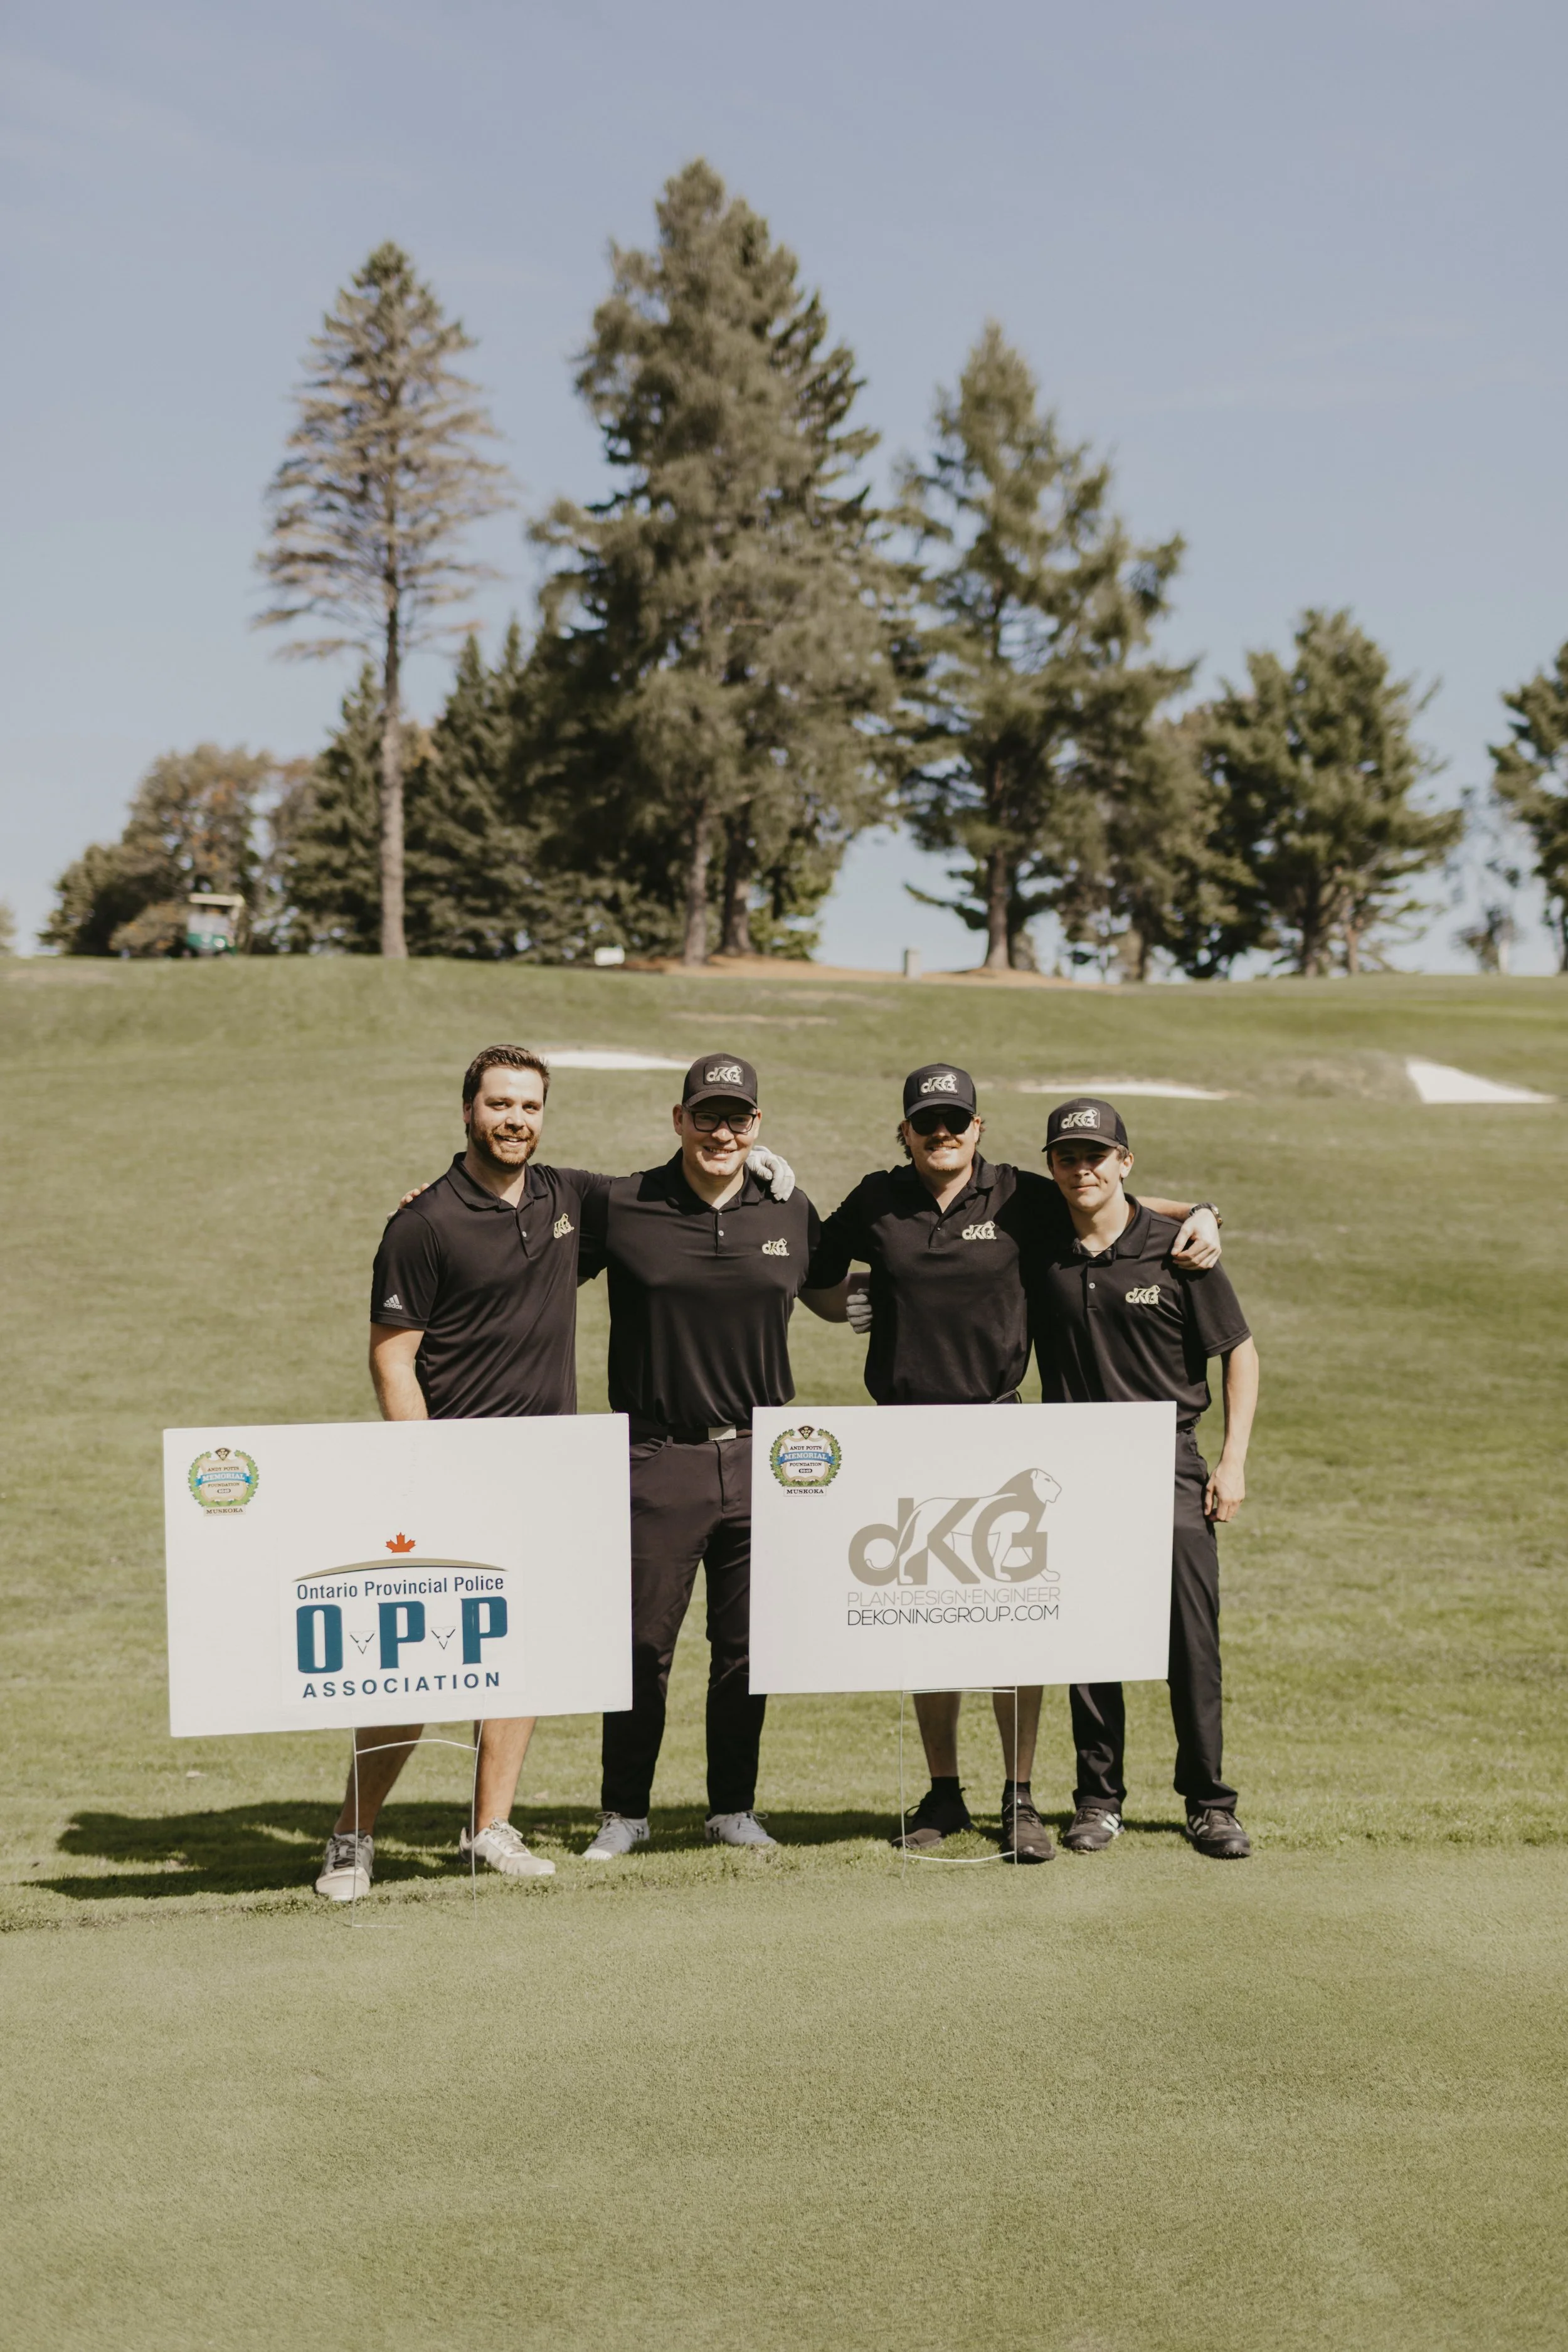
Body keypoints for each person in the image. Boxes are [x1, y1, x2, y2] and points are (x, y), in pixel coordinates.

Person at [314, 1044, 794, 1901]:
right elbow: (392, 1360)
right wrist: (423, 1469)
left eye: (530, 1107)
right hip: (451, 1466)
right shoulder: (424, 1222)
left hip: (546, 1470)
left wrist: (752, 1160)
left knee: (515, 1658)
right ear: (469, 1110)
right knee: (417, 1667)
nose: (515, 1120)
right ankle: (353, 1834)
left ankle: (489, 1825)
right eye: (500, 1105)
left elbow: (674, 1186)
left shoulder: (571, 1197)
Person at [800, 1063, 1224, 1864]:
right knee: (925, 1619)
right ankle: (943, 1791)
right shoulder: (874, 1199)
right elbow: (811, 1276)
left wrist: (1197, 1211)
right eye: (927, 1123)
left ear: (978, 1127)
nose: (942, 1134)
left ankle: (1019, 1794)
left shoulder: (1017, 1194)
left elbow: (1108, 1203)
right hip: (904, 1435)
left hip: (998, 1431)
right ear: (905, 1132)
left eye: (956, 1121)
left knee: (1011, 1621)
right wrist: (844, 1301)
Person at [575, 1054, 821, 1859]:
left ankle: (731, 1808)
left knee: (746, 1650)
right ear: (677, 1118)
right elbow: (524, 1226)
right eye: (706, 1115)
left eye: (738, 1118)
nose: (722, 1131)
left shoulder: (790, 1210)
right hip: (655, 1454)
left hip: (762, 1458)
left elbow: (868, 1270)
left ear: (759, 1125)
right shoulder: (621, 1203)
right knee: (642, 1644)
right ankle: (625, 1812)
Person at [1032, 1096, 1258, 1860]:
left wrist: (1232, 1461)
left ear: (1124, 1161)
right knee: (1087, 1640)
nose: (1083, 1167)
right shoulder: (1040, 1243)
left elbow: (1240, 1351)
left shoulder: (1177, 1249)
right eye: (1068, 1156)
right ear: (1051, 1166)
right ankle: (1098, 1801)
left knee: (1190, 1641)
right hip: (1073, 1467)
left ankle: (1209, 1803)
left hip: (1167, 1465)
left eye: (1097, 1154)